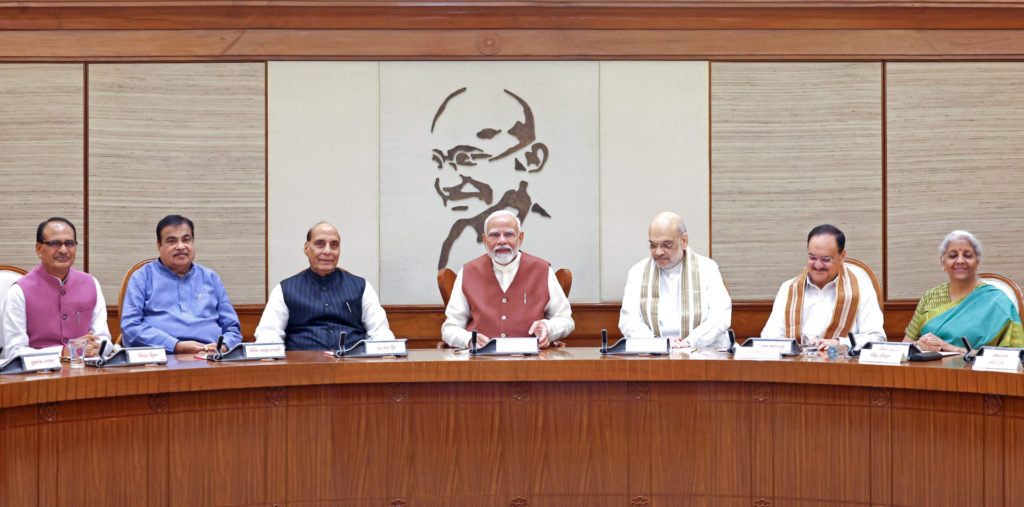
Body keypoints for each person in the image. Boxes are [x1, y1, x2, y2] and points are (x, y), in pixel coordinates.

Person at [430, 87, 552, 270]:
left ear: (530, 159)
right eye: (440, 160)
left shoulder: (545, 252)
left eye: (465, 159)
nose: (446, 182)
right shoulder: (456, 238)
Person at [441, 210, 573, 349]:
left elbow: (565, 319)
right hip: (481, 363)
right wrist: (469, 340)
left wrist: (548, 328)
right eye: (494, 235)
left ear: (520, 238)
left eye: (509, 234)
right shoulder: (468, 272)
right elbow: (450, 328)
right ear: (485, 240)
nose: (502, 241)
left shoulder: (542, 270)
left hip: (531, 362)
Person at [254, 222, 395, 350]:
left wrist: (386, 353)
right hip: (301, 369)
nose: (328, 251)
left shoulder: (362, 287)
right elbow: (269, 334)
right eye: (320, 243)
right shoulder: (284, 289)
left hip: (353, 367)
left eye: (334, 245)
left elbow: (380, 333)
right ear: (306, 248)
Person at [121, 215, 242, 354]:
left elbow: (232, 329)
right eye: (172, 241)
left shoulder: (211, 278)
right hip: (163, 358)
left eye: (186, 240)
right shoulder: (142, 277)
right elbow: (130, 328)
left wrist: (223, 346)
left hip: (212, 358)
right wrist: (175, 346)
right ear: (159, 245)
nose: (181, 246)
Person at [1, 217, 111, 359]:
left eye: (70, 243)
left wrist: (98, 346)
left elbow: (104, 338)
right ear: (39, 249)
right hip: (37, 375)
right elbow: (14, 352)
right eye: (55, 244)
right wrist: (62, 352)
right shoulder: (19, 292)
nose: (64, 250)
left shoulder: (91, 284)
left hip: (84, 371)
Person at [761, 224, 884, 350]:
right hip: (796, 366)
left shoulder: (861, 287)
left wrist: (839, 343)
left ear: (842, 256)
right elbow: (768, 337)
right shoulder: (789, 288)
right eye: (812, 257)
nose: (818, 265)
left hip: (842, 366)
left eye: (826, 259)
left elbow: (876, 337)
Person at [618, 212, 731, 348]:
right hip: (654, 354)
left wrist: (689, 342)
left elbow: (720, 317)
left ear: (684, 241)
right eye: (653, 245)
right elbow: (628, 320)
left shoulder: (707, 269)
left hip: (702, 351)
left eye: (666, 244)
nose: (658, 252)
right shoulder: (638, 272)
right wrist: (657, 343)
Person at [904, 230, 1024, 352]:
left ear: (978, 262)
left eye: (967, 255)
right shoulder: (930, 297)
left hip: (976, 370)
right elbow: (905, 347)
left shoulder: (997, 301)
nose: (960, 261)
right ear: (943, 262)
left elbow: (1014, 358)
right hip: (928, 370)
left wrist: (951, 348)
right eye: (952, 256)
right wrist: (918, 345)